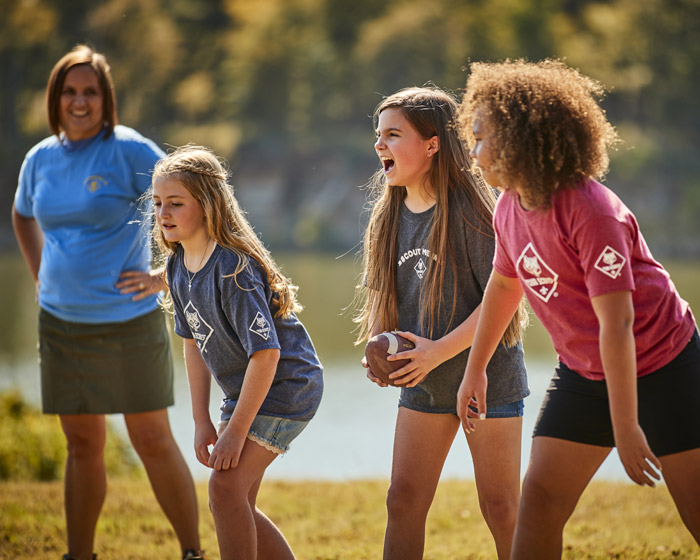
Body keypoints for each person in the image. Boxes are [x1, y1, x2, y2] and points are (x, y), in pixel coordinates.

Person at [456, 59, 700, 557]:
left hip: (663, 365)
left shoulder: (591, 210)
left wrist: (626, 425)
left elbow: (618, 323)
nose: (474, 153)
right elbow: (504, 288)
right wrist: (474, 369)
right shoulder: (508, 206)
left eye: (482, 138)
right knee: (541, 500)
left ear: (520, 137)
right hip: (585, 373)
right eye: (472, 138)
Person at [11, 45, 203, 560]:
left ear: (105, 98)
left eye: (89, 92)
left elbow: (196, 203)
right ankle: (80, 556)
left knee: (153, 441)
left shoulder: (131, 152)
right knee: (82, 445)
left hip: (128, 323)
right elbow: (23, 215)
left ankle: (192, 553)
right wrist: (39, 277)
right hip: (61, 324)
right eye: (69, 92)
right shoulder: (41, 158)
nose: (79, 101)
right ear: (56, 98)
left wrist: (167, 275)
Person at [354, 87, 529, 560]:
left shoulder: (474, 211)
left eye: (393, 134)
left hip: (490, 380)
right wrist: (381, 351)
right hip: (425, 384)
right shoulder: (386, 217)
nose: (380, 146)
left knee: (501, 508)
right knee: (403, 499)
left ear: (433, 144)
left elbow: (506, 301)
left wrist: (439, 351)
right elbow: (390, 311)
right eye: (378, 135)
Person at [151, 145, 324, 560]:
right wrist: (201, 420)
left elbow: (267, 355)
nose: (163, 213)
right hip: (244, 391)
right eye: (158, 203)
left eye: (176, 203)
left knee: (225, 489)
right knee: (237, 499)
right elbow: (193, 345)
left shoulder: (232, 267)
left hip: (285, 386)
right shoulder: (176, 267)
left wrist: (233, 432)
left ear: (208, 206)